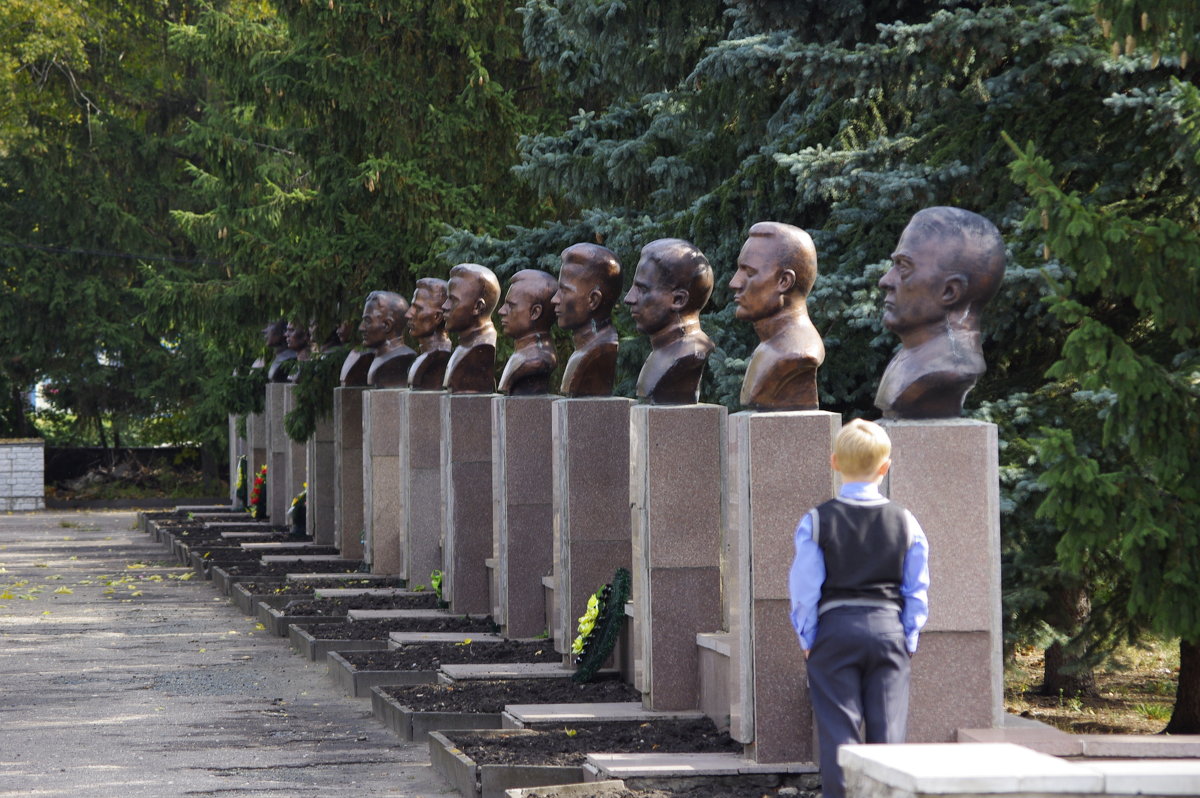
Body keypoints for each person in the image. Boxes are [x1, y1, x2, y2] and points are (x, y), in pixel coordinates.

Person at [788, 419, 930, 798]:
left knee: (839, 740)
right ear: (885, 467)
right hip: (888, 630)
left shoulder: (817, 521)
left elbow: (805, 590)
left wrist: (807, 636)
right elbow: (916, 589)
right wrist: (909, 636)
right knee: (889, 742)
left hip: (834, 631)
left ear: (834, 462)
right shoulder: (906, 521)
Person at [875, 206, 1006, 419]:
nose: (885, 281)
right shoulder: (912, 361)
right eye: (894, 265)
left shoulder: (950, 369)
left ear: (949, 291)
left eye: (904, 267)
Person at [729, 221, 825, 410]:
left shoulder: (798, 353)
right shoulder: (771, 347)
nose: (734, 282)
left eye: (749, 272)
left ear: (784, 281)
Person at [623, 238, 714, 404]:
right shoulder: (662, 352)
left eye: (642, 289)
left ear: (678, 300)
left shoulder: (689, 354)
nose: (629, 298)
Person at [551, 243, 622, 397]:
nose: (554, 299)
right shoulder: (584, 350)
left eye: (564, 290)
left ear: (593, 300)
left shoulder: (599, 351)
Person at [497, 269, 559, 395]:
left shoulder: (537, 360)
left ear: (535, 312)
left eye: (511, 305)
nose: (501, 311)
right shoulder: (523, 354)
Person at [441, 263, 500, 393]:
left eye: (453, 300)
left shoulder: (483, 348)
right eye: (447, 298)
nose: (444, 306)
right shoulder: (466, 345)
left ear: (477, 307)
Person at [358, 290, 416, 388]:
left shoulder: (400, 358)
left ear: (387, 325)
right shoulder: (370, 358)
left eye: (367, 321)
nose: (361, 328)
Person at [405, 278, 452, 390]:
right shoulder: (425, 357)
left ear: (437, 317)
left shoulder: (439, 358)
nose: (408, 314)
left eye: (418, 308)